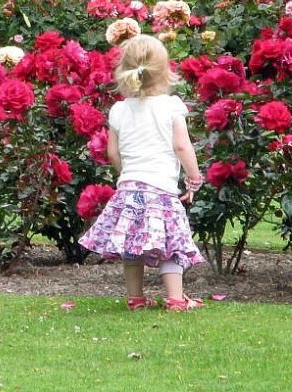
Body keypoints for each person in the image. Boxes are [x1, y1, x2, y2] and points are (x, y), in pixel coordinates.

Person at [78, 34, 205, 311]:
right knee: (171, 243)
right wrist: (194, 178)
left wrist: (128, 175)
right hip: (161, 190)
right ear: (165, 71)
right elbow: (182, 146)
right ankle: (175, 299)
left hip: (129, 189)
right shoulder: (171, 106)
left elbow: (112, 152)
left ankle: (136, 298)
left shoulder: (120, 109)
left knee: (131, 243)